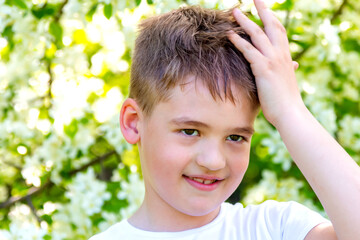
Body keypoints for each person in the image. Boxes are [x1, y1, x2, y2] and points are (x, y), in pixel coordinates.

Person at [90, 0, 360, 239]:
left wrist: (290, 110)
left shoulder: (273, 228)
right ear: (133, 122)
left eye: (235, 137)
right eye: (190, 131)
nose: (213, 161)